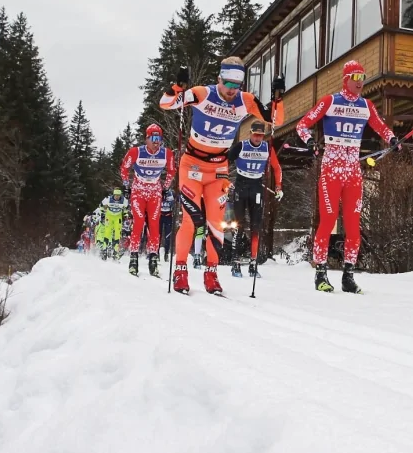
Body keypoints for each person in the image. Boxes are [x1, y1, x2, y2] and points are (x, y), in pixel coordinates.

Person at [159, 56, 284, 294]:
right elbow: (165, 103)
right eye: (228, 84)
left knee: (216, 223)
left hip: (218, 169)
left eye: (237, 86)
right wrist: (177, 86)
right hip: (192, 165)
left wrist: (278, 98)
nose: (231, 90)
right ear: (219, 79)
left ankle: (212, 273)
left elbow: (275, 120)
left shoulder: (246, 101)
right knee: (190, 220)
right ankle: (181, 271)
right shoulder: (201, 93)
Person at [296, 60, 397, 294]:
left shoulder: (366, 106)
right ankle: (320, 272)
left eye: (363, 77)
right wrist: (310, 142)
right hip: (331, 168)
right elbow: (302, 125)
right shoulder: (330, 101)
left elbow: (381, 127)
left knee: (353, 226)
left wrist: (392, 139)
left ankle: (348, 276)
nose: (360, 82)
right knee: (328, 221)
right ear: (346, 79)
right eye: (356, 78)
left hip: (353, 170)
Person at [226, 119, 284, 279]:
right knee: (238, 225)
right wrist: (224, 180)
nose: (258, 138)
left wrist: (278, 186)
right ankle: (235, 262)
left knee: (256, 226)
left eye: (260, 135)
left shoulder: (267, 147)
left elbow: (277, 168)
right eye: (255, 135)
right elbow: (225, 159)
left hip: (257, 186)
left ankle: (253, 263)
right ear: (250, 133)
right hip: (241, 185)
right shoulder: (241, 146)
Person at [120, 124, 177, 277]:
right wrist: (126, 185)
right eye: (153, 138)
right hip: (138, 189)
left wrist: (165, 187)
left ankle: (153, 257)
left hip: (155, 191)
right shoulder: (136, 151)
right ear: (147, 138)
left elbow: (172, 171)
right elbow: (124, 168)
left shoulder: (167, 154)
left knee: (154, 224)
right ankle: (133, 257)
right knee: (138, 221)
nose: (156, 142)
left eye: (159, 138)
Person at [100, 189, 130, 261]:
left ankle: (115, 251)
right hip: (109, 217)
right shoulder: (108, 199)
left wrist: (125, 214)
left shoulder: (124, 200)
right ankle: (104, 250)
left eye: (118, 196)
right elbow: (101, 206)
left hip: (117, 217)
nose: (117, 197)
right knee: (107, 233)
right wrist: (103, 213)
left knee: (117, 234)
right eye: (115, 195)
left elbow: (127, 208)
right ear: (113, 195)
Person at [160, 188, 175, 262]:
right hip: (160, 216)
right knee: (158, 235)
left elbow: (176, 202)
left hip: (168, 216)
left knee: (167, 236)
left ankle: (166, 253)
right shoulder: (159, 190)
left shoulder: (171, 192)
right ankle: (155, 253)